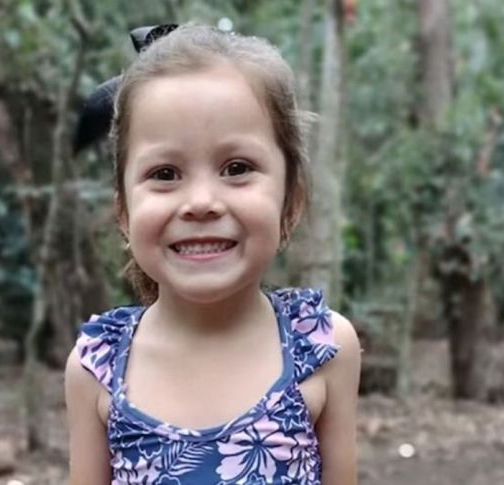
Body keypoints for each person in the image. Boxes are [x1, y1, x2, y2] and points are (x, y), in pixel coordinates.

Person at [65, 24, 361, 485]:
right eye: (165, 174)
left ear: (291, 202)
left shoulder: (322, 345)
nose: (201, 202)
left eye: (237, 168)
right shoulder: (97, 366)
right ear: (124, 212)